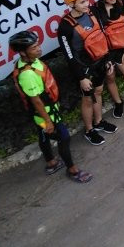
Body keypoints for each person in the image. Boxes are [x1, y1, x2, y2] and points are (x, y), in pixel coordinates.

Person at [9, 30, 93, 183]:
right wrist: (48, 121)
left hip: (41, 112)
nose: (39, 48)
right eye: (34, 47)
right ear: (22, 52)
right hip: (45, 113)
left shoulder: (28, 63)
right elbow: (36, 101)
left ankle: (51, 163)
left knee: (42, 135)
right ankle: (73, 171)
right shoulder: (27, 74)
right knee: (64, 138)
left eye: (38, 45)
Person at [57, 0, 116, 146]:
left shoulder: (92, 13)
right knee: (88, 99)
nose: (86, 4)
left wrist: (108, 59)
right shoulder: (65, 27)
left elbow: (102, 37)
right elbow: (69, 56)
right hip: (84, 68)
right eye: (82, 2)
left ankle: (98, 122)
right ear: (71, 4)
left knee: (98, 91)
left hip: (100, 62)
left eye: (86, 0)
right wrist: (81, 77)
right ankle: (89, 130)